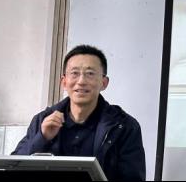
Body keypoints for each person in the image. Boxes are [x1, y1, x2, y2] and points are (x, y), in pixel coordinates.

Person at [13, 44, 145, 181]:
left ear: (104, 83)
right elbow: (13, 167)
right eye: (74, 73)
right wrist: (42, 137)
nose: (81, 81)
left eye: (90, 74)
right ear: (64, 82)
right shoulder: (42, 120)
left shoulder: (123, 126)